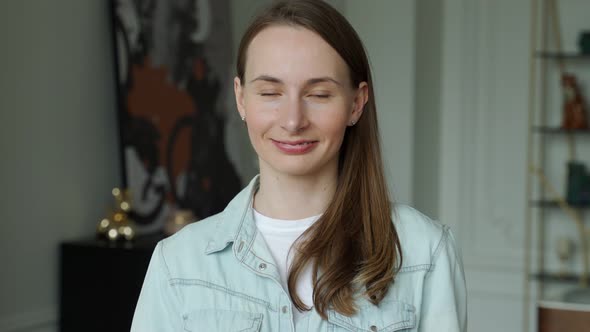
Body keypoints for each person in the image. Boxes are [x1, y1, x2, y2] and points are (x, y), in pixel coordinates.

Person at [130, 0, 467, 331]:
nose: (293, 121)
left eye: (319, 94)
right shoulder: (178, 265)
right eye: (270, 93)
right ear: (241, 98)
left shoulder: (424, 252)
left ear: (356, 104)